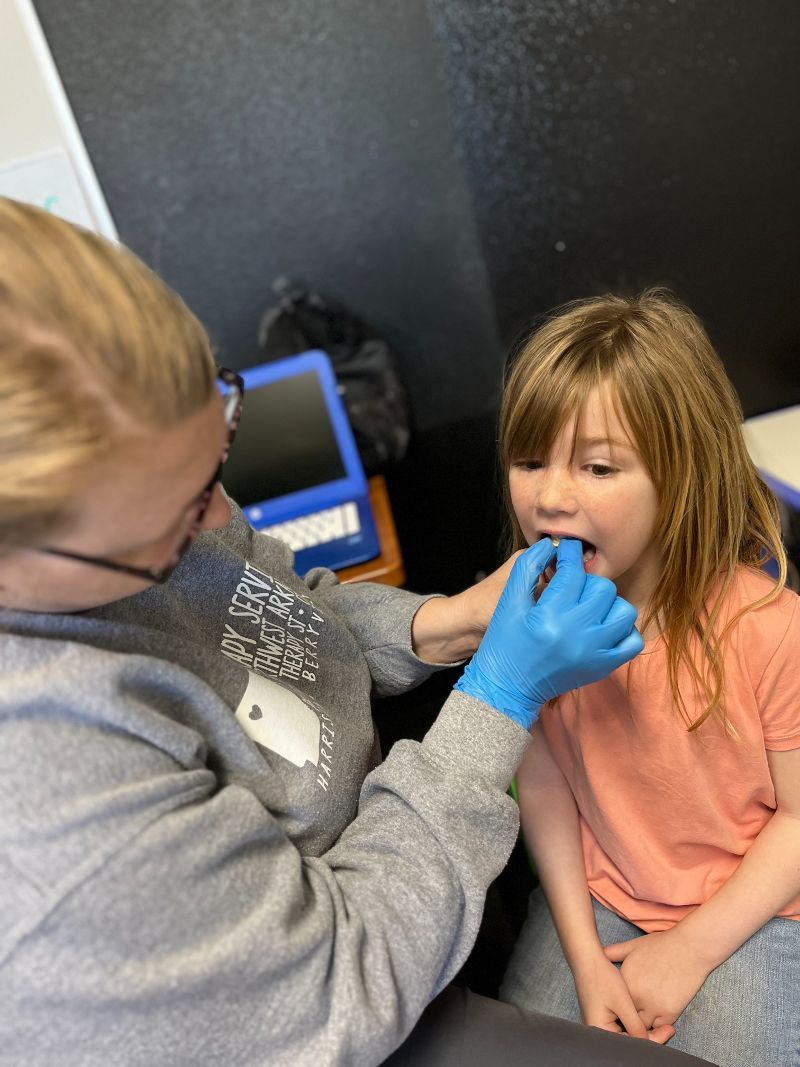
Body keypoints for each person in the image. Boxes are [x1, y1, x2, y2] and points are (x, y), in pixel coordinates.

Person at [0, 200, 712, 1067]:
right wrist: (501, 692)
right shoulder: (45, 791)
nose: (227, 517)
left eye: (218, 445)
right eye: (180, 518)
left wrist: (446, 623)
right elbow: (335, 996)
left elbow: (278, 611)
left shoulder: (762, 627)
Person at [496, 290, 800, 1067]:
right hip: (598, 898)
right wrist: (584, 956)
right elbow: (545, 789)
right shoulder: (522, 624)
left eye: (596, 467)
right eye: (530, 461)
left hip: (755, 911)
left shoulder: (771, 627)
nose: (551, 496)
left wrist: (692, 947)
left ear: (680, 474)